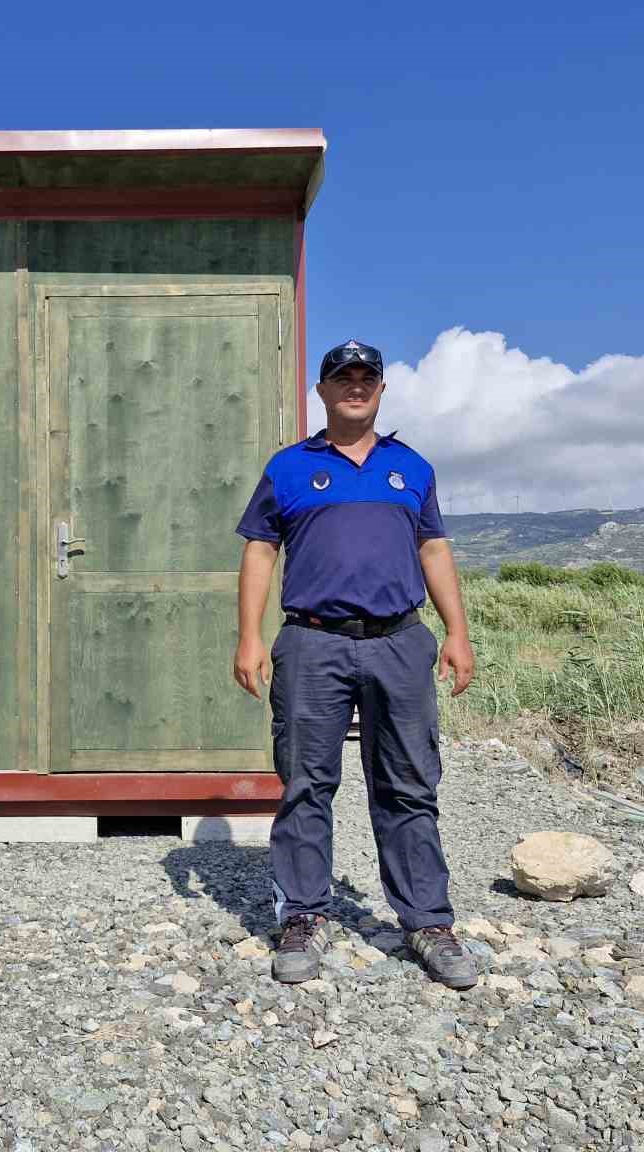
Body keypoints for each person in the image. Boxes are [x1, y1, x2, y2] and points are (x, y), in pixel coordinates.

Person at [232, 339, 479, 989]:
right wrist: (249, 638)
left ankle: (427, 921)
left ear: (381, 389)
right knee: (307, 784)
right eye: (343, 376)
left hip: (400, 642)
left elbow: (433, 550)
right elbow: (260, 552)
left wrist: (456, 631)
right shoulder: (288, 468)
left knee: (407, 785)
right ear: (322, 390)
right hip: (312, 642)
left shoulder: (412, 469)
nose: (356, 385)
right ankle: (305, 915)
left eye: (367, 376)